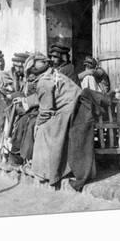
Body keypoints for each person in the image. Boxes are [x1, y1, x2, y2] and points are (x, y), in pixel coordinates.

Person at [30, 52, 82, 186]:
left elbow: (46, 111)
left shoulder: (44, 82)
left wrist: (37, 124)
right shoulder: (53, 73)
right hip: (77, 106)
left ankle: (47, 172)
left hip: (71, 109)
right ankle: (49, 169)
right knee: (46, 126)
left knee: (43, 130)